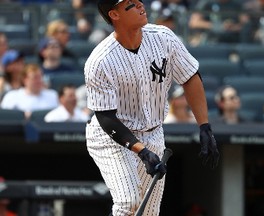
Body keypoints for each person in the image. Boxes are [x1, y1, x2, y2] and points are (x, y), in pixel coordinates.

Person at [84, 0, 220, 215]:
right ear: (114, 15)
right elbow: (106, 117)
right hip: (112, 137)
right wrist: (141, 150)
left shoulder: (163, 37)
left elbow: (190, 77)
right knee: (128, 204)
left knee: (147, 212)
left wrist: (205, 126)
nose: (140, 5)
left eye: (138, 1)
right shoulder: (100, 60)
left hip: (153, 132)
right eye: (130, 4)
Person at [188, 0, 252, 46]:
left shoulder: (237, 4)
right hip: (212, 38)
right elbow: (194, 23)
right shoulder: (207, 2)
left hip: (233, 39)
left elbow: (246, 23)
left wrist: (232, 27)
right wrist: (216, 26)